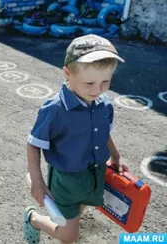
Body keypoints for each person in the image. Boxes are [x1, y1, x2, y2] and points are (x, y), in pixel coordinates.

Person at [24, 34, 128, 244]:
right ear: (67, 74)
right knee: (69, 235)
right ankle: (33, 219)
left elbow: (103, 132)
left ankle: (64, 227)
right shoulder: (55, 109)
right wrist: (37, 180)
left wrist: (116, 156)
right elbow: (34, 143)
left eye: (106, 81)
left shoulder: (103, 103)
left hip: (94, 174)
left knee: (74, 217)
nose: (97, 90)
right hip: (66, 179)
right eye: (89, 82)